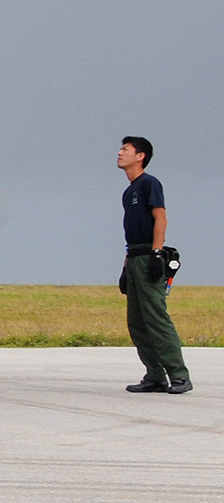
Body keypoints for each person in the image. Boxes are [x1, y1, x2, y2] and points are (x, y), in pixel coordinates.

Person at [117, 136, 191, 394]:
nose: (119, 153)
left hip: (149, 256)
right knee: (137, 321)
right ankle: (155, 375)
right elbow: (132, 232)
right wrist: (126, 267)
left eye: (125, 149)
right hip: (135, 256)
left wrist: (157, 254)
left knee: (156, 318)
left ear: (140, 156)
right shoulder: (129, 191)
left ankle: (179, 376)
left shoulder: (149, 183)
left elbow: (160, 218)